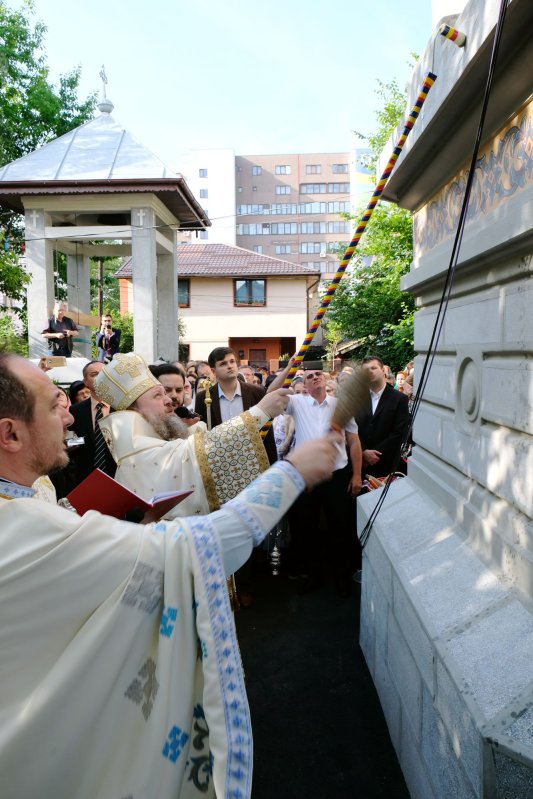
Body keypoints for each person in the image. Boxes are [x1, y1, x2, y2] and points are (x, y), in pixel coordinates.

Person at [0, 351, 339, 799]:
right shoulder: (21, 524)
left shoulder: (29, 496)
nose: (70, 417)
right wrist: (293, 473)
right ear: (10, 433)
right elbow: (198, 548)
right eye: (53, 405)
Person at [95, 353, 290, 520]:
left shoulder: (158, 439)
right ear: (132, 408)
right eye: (158, 395)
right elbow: (200, 453)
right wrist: (261, 412)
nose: (168, 400)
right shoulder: (137, 454)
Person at [269, 362, 363, 596]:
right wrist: (290, 365)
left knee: (340, 527)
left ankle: (341, 577)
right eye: (309, 376)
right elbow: (271, 394)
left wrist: (357, 474)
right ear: (305, 383)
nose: (315, 378)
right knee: (305, 528)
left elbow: (354, 441)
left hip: (337, 476)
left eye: (318, 374)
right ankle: (313, 575)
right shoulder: (296, 403)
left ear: (325, 377)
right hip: (306, 476)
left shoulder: (340, 405)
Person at [194, 347, 277, 606]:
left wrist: (271, 468)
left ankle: (245, 584)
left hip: (251, 468)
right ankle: (223, 585)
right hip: (220, 470)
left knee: (247, 526)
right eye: (223, 363)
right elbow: (201, 434)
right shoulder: (203, 397)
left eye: (232, 362)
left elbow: (269, 434)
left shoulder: (255, 393)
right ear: (213, 369)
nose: (230, 366)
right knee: (224, 527)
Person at [355, 355, 410, 478]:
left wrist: (374, 454)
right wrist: (363, 451)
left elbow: (399, 432)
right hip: (361, 465)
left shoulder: (399, 399)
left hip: (387, 464)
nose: (369, 372)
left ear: (383, 371)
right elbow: (352, 429)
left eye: (373, 368)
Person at [67, 360, 116, 492]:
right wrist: (78, 442)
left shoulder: (123, 407)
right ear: (85, 382)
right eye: (94, 374)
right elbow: (70, 440)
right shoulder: (75, 411)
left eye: (104, 373)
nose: (100, 377)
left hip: (119, 478)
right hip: (85, 479)